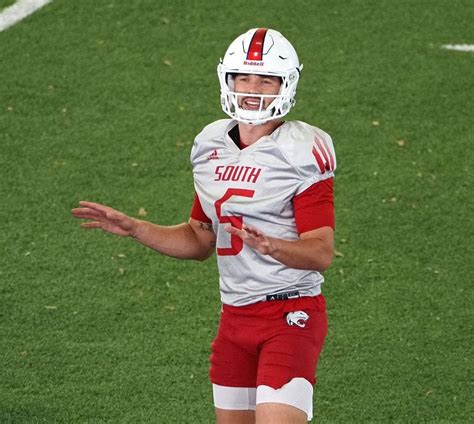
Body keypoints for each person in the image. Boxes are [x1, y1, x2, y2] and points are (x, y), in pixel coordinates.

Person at [72, 28, 336, 424]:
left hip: (290, 313)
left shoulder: (300, 149)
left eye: (266, 78)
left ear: (286, 84)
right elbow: (199, 238)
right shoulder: (211, 144)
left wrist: (274, 247)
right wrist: (136, 229)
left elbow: (321, 252)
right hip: (234, 319)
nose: (252, 88)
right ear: (227, 79)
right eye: (243, 77)